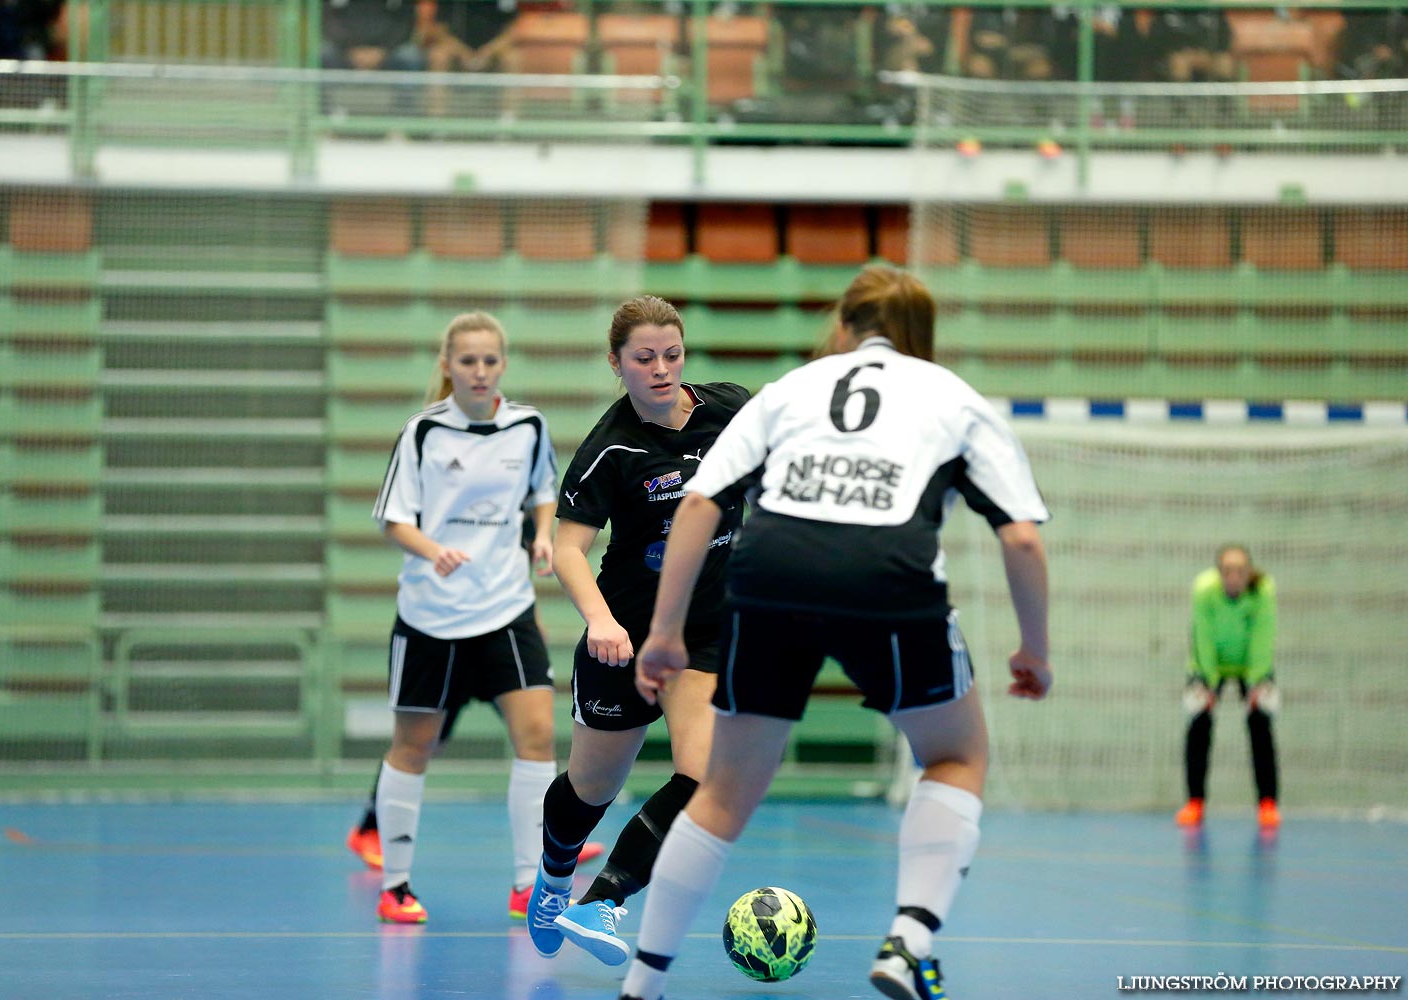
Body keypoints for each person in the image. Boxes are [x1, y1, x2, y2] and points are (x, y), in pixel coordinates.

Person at [617, 265, 1054, 1000]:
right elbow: (1021, 540)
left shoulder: (793, 387)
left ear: (844, 326)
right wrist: (1033, 648)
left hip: (770, 577)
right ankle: (909, 941)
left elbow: (698, 507)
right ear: (921, 334)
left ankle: (641, 981)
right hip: (890, 578)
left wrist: (664, 633)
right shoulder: (954, 397)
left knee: (721, 793)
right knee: (954, 755)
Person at [525, 295, 752, 968]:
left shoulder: (731, 409)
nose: (660, 369)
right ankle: (554, 876)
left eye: (671, 354)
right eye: (643, 358)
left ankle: (604, 902)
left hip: (702, 634)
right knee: (592, 788)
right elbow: (568, 550)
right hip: (622, 636)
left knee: (705, 773)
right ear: (617, 364)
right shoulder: (611, 449)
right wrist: (599, 620)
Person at [366, 310, 564, 924]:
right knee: (413, 746)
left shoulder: (529, 425)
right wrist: (433, 550)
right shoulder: (422, 432)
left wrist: (542, 537)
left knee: (538, 739)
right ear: (448, 366)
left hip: (507, 610)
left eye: (489, 360)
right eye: (467, 361)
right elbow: (393, 517)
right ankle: (395, 885)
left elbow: (543, 493)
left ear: (502, 365)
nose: (479, 371)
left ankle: (529, 883)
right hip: (431, 616)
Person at [344, 513, 604, 880]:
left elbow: (517, 577)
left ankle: (555, 841)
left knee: (535, 737)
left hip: (500, 635)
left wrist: (534, 626)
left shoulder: (521, 508)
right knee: (421, 743)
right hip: (447, 637)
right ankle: (369, 829)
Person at [1175, 544, 1280, 831]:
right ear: (1219, 573)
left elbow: (1263, 635)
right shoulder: (1204, 589)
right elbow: (1202, 636)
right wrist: (1207, 682)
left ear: (1249, 573)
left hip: (1250, 664)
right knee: (1199, 726)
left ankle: (1267, 803)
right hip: (1210, 664)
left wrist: (1258, 680)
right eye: (1228, 571)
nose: (1234, 577)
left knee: (1260, 725)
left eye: (1240, 571)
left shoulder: (1263, 590)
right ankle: (1195, 802)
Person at [321, 0, 425, 73]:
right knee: (323, 55)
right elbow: (329, 21)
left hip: (388, 51)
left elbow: (406, 23)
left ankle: (403, 105)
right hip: (347, 50)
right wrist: (352, 49)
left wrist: (383, 51)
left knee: (409, 57)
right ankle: (323, 105)